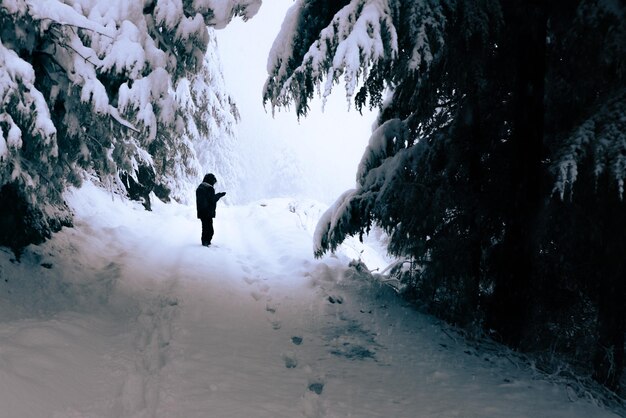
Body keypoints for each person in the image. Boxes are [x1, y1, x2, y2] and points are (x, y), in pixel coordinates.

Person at [196, 173, 226, 246]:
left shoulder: (200, 187)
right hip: (207, 212)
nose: (214, 183)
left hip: (201, 211)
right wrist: (219, 195)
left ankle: (205, 243)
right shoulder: (209, 188)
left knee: (205, 228)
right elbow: (212, 200)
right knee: (209, 230)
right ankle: (206, 244)